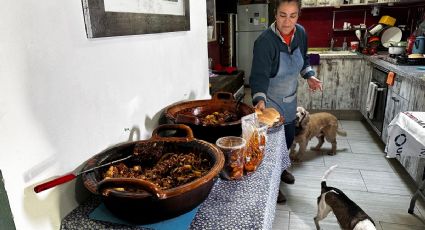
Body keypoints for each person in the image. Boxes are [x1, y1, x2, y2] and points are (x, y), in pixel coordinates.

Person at [249, 0, 322, 203]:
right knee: (270, 149)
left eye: (293, 15)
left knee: (288, 140)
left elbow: (304, 60)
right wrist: (260, 100)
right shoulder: (265, 41)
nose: (287, 22)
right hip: (269, 103)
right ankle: (271, 187)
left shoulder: (301, 33)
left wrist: (309, 75)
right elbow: (259, 76)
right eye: (283, 15)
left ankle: (281, 172)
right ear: (275, 14)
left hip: (290, 100)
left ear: (298, 15)